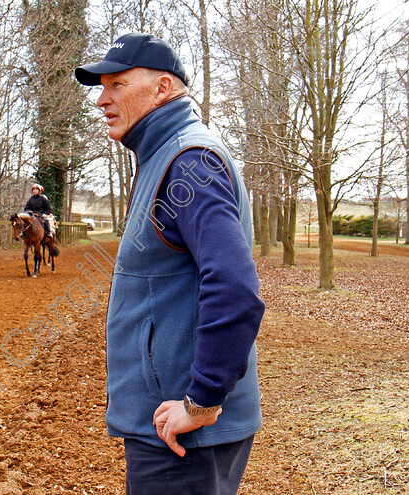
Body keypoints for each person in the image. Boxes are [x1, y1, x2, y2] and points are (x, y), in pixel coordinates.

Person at [74, 33, 265, 494]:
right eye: (102, 87)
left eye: (117, 84)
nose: (102, 99)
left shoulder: (189, 161)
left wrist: (201, 402)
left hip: (183, 436)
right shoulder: (164, 155)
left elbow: (236, 288)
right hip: (170, 427)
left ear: (162, 88)